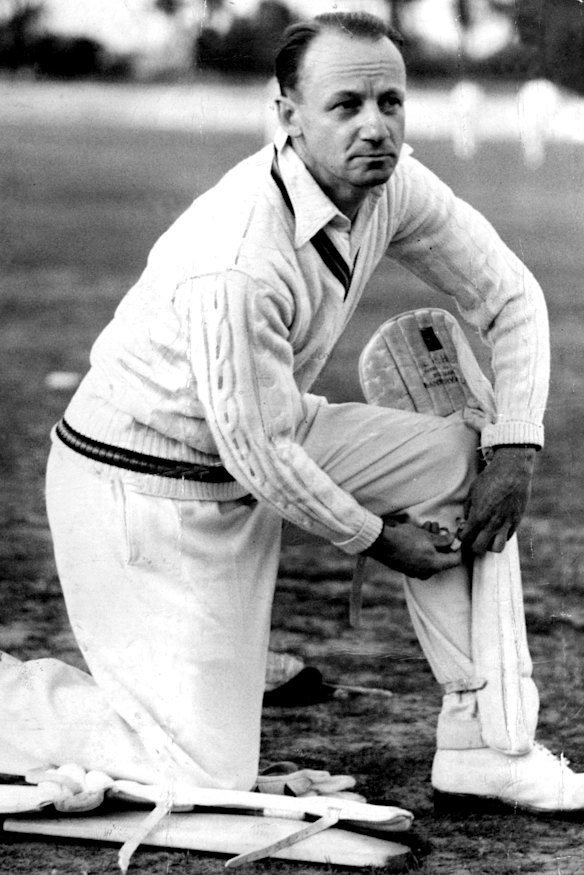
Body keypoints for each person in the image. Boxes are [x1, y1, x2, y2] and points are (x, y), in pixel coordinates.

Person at [4, 11, 584, 813]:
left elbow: (512, 295)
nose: (376, 127)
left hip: (263, 441)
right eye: (346, 106)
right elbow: (258, 452)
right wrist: (379, 538)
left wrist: (516, 446)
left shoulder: (396, 183)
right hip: (140, 490)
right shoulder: (240, 254)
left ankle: (483, 740)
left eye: (391, 102)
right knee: (203, 773)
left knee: (459, 455)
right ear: (288, 117)